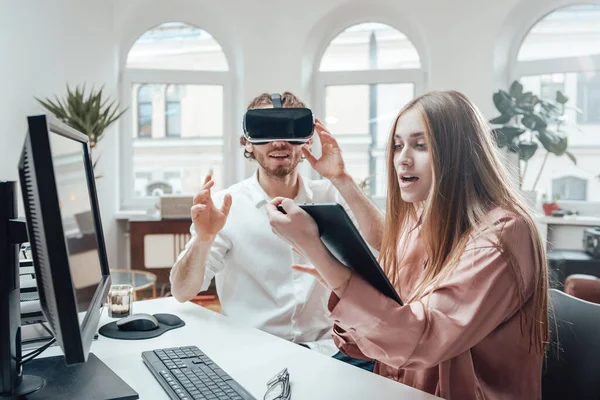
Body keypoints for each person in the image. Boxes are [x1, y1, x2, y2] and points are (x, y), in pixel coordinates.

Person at [266, 90, 549, 399]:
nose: (402, 159)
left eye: (420, 145)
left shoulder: (504, 233)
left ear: (459, 153)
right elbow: (374, 334)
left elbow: (421, 340)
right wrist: (341, 181)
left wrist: (317, 251)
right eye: (398, 146)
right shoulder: (422, 221)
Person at [169, 91, 375, 371]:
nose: (279, 142)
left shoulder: (332, 196)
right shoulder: (224, 207)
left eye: (290, 131)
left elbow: (386, 251)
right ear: (248, 143)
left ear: (306, 140)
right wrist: (203, 239)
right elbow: (182, 292)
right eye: (266, 131)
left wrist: (342, 178)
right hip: (252, 353)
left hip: (330, 351)